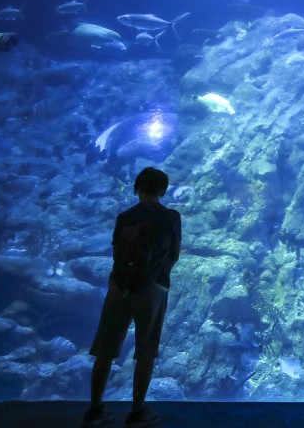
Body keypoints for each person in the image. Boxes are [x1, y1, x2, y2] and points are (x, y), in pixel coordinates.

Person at [83, 167, 182, 427]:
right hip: (152, 289)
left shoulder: (125, 217)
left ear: (137, 187)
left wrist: (121, 281)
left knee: (105, 350)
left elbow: (117, 255)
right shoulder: (171, 217)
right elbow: (173, 255)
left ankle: (95, 408)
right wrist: (157, 277)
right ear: (163, 190)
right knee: (146, 350)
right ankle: (137, 412)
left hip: (119, 287)